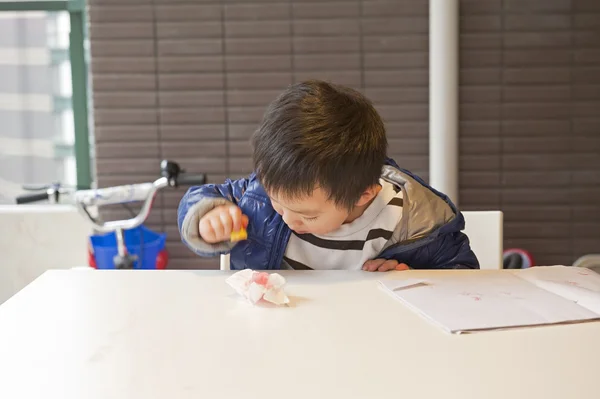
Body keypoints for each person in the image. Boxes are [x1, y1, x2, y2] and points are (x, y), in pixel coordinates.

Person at [177, 80, 479, 271]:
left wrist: (410, 282)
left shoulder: (413, 223)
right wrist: (207, 218)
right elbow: (203, 199)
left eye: (307, 216)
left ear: (364, 194)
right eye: (278, 204)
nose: (287, 219)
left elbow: (460, 273)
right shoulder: (257, 197)